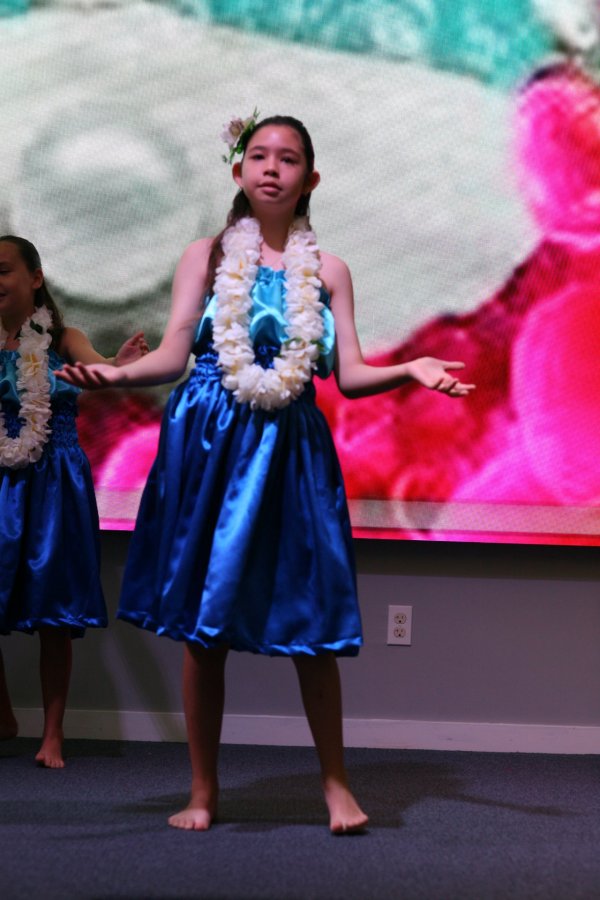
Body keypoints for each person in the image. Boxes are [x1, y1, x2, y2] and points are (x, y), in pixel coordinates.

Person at [57, 114, 474, 830]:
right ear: (238, 171)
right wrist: (113, 376)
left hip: (290, 448)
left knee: (311, 617)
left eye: (288, 158)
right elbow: (173, 354)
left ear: (311, 179)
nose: (272, 167)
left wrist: (410, 368)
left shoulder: (329, 270)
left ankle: (336, 785)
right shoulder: (206, 256)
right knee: (205, 627)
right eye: (258, 155)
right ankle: (202, 791)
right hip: (210, 440)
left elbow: (348, 376)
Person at [0, 235, 148, 768]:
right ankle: (3, 712)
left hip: (55, 481)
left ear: (35, 278)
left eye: (3, 270)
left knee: (54, 612)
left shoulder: (62, 338)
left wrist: (118, 363)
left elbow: (98, 368)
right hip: (0, 481)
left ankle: (53, 734)